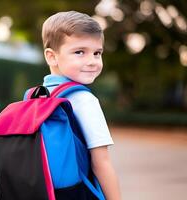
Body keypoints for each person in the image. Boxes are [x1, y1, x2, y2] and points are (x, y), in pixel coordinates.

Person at [41, 11, 121, 199]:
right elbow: (101, 162)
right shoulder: (84, 100)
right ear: (52, 57)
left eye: (97, 53)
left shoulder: (39, 96)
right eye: (79, 52)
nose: (92, 61)